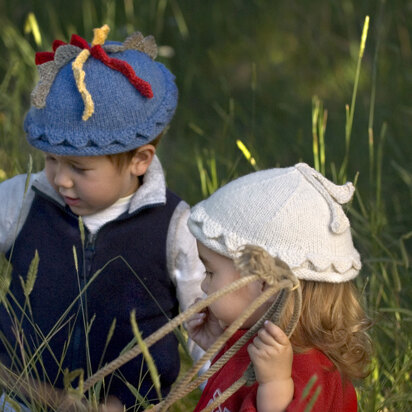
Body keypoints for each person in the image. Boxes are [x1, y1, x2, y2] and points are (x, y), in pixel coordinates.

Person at [0, 25, 204, 411]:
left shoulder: (174, 226)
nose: (60, 179)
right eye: (51, 159)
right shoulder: (24, 198)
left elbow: (203, 324)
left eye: (79, 168)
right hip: (21, 395)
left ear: (139, 160)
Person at [186, 163, 372, 412]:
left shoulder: (310, 373)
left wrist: (275, 385)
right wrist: (220, 345)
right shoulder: (256, 342)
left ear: (265, 284)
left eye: (210, 272)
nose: (204, 284)